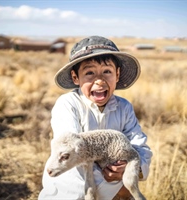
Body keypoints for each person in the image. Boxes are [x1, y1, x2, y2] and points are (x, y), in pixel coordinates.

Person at [38, 36, 152, 200]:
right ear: (76, 77)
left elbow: (139, 147)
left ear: (117, 74)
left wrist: (131, 169)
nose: (99, 80)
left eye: (107, 71)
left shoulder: (124, 108)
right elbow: (73, 153)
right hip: (70, 193)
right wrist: (119, 188)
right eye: (89, 72)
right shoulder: (67, 105)